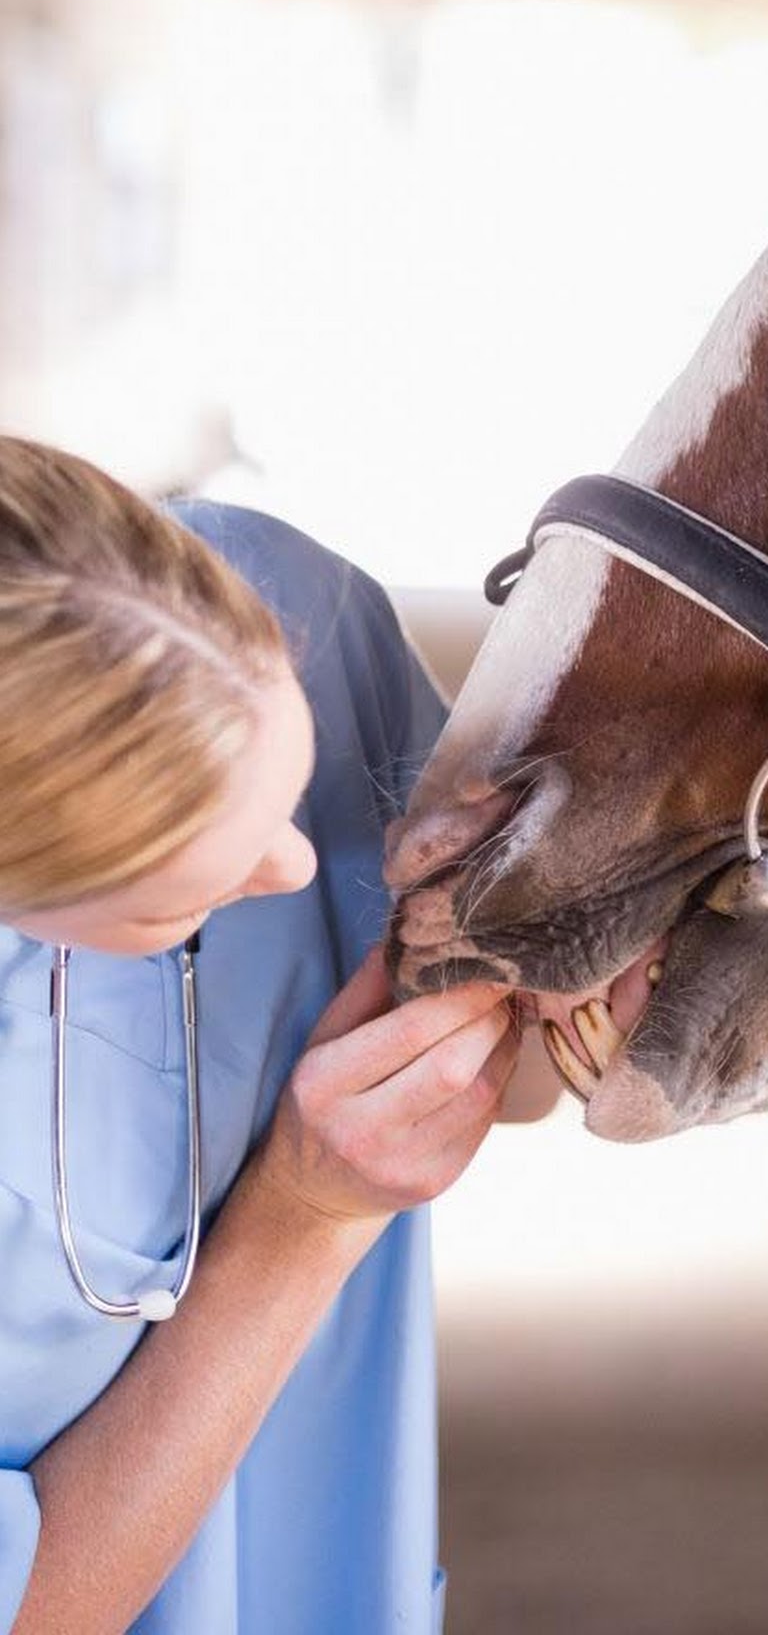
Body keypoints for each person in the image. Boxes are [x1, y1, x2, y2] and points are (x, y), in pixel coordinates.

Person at [0, 436, 537, 1633]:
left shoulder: (273, 599)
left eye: (291, 787)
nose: (297, 863)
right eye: (181, 894)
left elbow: (541, 1066)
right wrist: (307, 1218)